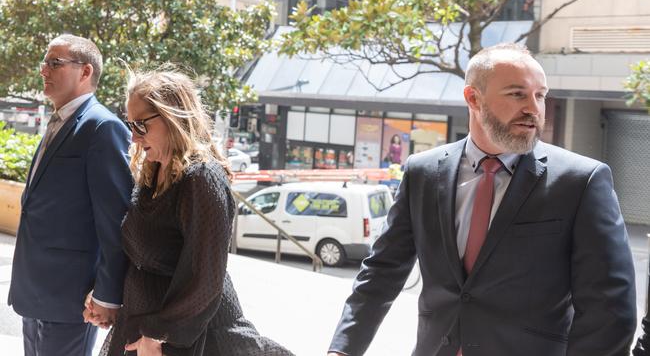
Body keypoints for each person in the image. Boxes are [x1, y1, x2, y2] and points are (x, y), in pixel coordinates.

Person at [327, 43, 637, 356]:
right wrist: (342, 349)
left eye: (540, 95)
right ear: (473, 98)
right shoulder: (422, 172)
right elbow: (381, 271)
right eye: (517, 93)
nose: (534, 107)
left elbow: (609, 307)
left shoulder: (581, 181)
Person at [91, 67, 294, 356]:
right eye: (130, 125)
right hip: (144, 331)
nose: (133, 137)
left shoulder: (201, 177)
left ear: (172, 118)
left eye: (141, 125)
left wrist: (159, 335)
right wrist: (106, 298)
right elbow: (139, 256)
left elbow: (206, 278)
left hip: (188, 340)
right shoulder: (152, 173)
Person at [8, 35, 132, 355]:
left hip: (69, 298)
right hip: (34, 291)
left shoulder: (102, 127)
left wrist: (106, 295)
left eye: (55, 63)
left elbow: (115, 220)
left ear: (85, 71)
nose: (44, 70)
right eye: (44, 63)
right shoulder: (57, 120)